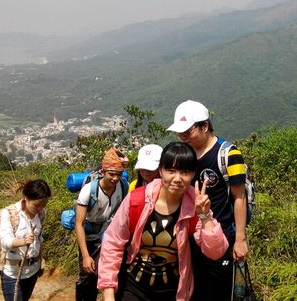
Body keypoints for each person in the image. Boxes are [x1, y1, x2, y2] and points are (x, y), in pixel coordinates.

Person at [97, 142, 228, 301]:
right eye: (171, 171)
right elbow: (113, 243)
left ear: (193, 174)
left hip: (173, 290)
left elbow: (216, 252)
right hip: (132, 287)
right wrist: (108, 292)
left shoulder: (195, 206)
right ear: (161, 171)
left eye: (185, 172)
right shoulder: (137, 200)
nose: (177, 179)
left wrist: (205, 216)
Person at [167, 100, 249, 301]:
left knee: (219, 292)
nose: (184, 138)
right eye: (180, 134)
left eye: (188, 132)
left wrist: (240, 240)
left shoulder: (228, 154)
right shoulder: (186, 156)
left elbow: (240, 197)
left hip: (222, 237)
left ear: (205, 126)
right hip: (190, 238)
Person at [75, 147, 129, 301]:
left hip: (109, 233)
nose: (115, 178)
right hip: (89, 235)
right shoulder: (89, 190)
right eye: (111, 174)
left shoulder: (123, 186)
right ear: (103, 172)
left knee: (113, 271)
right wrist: (85, 256)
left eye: (119, 174)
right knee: (88, 275)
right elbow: (79, 224)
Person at [0, 179, 52, 301]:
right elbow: (5, 242)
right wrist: (23, 241)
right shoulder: (9, 213)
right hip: (12, 273)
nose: (40, 208)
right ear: (26, 198)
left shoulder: (41, 214)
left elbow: (39, 240)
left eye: (43, 205)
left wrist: (40, 261)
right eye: (36, 205)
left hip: (33, 271)